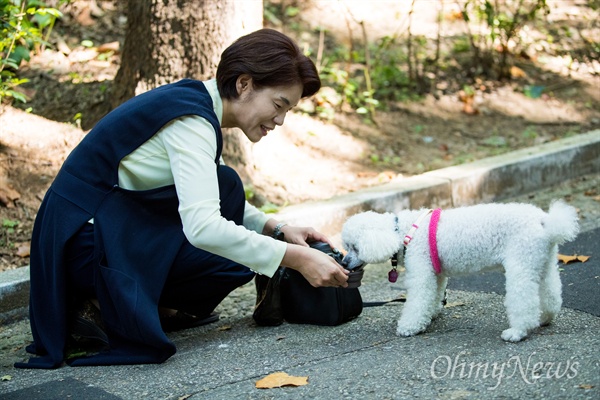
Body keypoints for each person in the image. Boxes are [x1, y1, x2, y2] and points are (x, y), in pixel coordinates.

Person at [15, 28, 349, 369]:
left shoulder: (197, 104)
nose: (280, 120)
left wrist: (276, 228)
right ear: (244, 84)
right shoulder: (191, 122)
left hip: (110, 229)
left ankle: (145, 308)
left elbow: (204, 196)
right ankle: (98, 308)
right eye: (279, 105)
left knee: (228, 195)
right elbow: (203, 227)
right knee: (236, 250)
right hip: (79, 246)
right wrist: (294, 258)